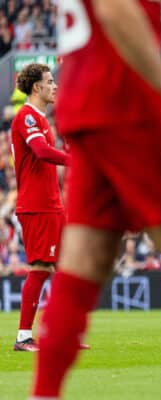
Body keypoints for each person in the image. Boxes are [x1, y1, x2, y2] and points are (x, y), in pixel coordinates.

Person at [31, 1, 161, 400]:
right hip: (127, 105)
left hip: (87, 107)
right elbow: (114, 7)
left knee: (83, 263)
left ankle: (42, 394)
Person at [10, 63, 70, 352]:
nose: (55, 85)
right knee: (41, 266)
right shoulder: (27, 117)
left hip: (52, 202)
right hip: (36, 204)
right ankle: (23, 337)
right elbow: (42, 152)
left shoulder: (43, 120)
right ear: (37, 87)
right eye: (50, 81)